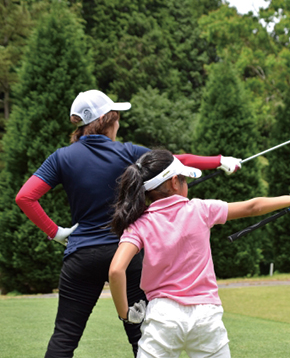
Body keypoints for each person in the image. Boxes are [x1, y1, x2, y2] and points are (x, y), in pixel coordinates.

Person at [14, 90, 242, 358]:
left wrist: (57, 232)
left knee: (65, 337)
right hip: (127, 252)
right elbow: (178, 160)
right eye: (117, 118)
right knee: (141, 338)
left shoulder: (62, 157)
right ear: (109, 120)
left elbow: (25, 197)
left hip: (82, 256)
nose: (119, 123)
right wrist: (220, 161)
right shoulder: (128, 152)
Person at [108, 149, 290, 358]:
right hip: (205, 316)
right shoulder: (201, 209)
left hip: (163, 316)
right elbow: (253, 207)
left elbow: (116, 270)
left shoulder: (139, 224)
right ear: (174, 182)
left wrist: (125, 314)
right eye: (184, 179)